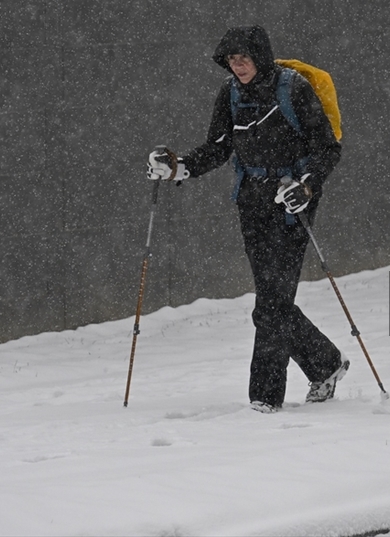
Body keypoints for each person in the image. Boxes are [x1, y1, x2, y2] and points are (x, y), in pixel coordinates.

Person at [146, 25, 347, 413]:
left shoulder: (294, 89)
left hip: (292, 206)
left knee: (271, 304)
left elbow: (327, 148)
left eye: (244, 58)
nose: (237, 66)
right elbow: (219, 147)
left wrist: (305, 186)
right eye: (231, 60)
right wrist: (179, 168)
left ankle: (264, 399)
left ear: (260, 56)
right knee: (272, 302)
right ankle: (325, 363)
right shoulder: (231, 93)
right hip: (251, 203)